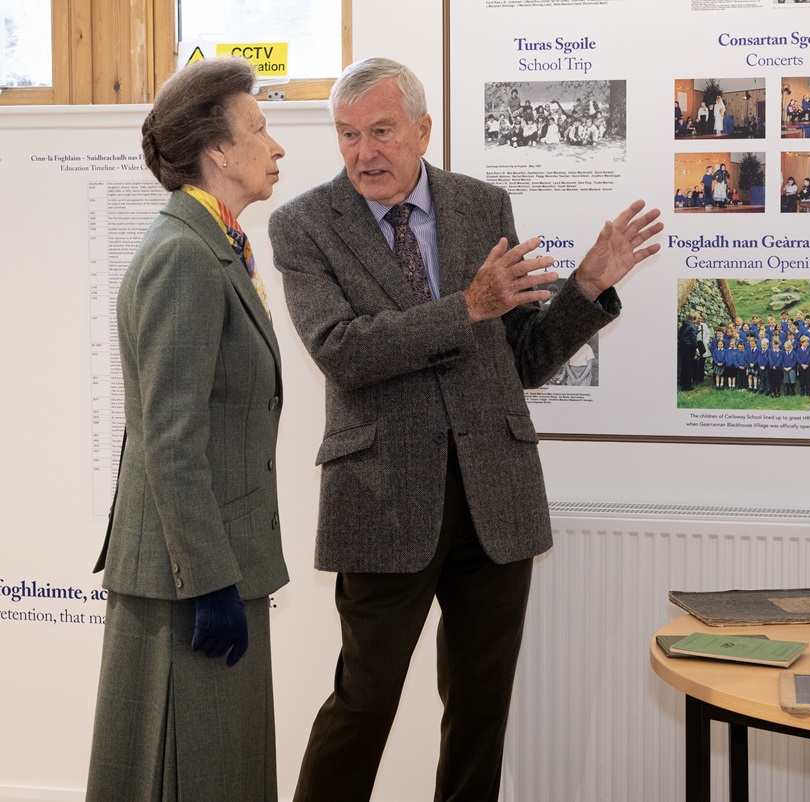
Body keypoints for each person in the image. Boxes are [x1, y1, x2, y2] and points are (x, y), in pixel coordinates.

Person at [267, 57, 662, 802]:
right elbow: (342, 352)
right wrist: (465, 309)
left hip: (495, 500)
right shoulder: (304, 225)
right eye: (348, 135)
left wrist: (585, 287)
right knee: (363, 705)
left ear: (422, 128)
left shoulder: (482, 206)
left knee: (481, 711)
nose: (364, 153)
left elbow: (527, 359)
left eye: (381, 131)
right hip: (383, 501)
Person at [86, 57, 288, 801]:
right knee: (189, 774)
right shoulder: (184, 256)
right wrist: (211, 584)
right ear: (219, 152)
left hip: (210, 563)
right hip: (190, 578)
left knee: (216, 769)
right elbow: (170, 438)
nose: (277, 147)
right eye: (261, 130)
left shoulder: (216, 245)